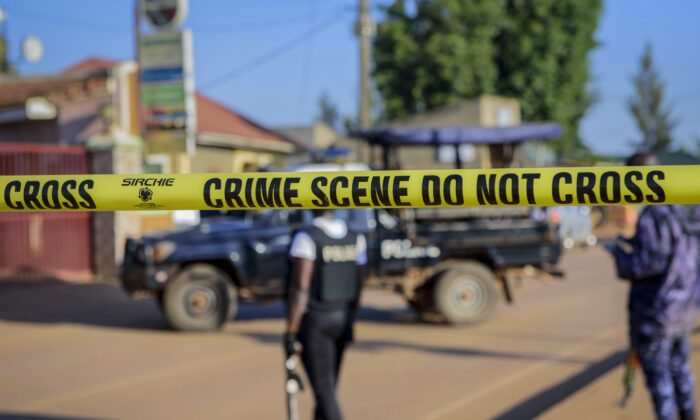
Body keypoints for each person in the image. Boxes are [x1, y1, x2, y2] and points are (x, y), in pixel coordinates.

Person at [608, 152, 699, 420]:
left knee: (661, 382)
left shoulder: (653, 215)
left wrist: (618, 253)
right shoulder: (680, 206)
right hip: (683, 308)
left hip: (656, 314)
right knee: (680, 370)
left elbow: (645, 264)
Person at [284, 209, 367, 420]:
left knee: (325, 394)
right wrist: (351, 319)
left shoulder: (307, 237)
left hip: (317, 322)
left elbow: (301, 288)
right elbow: (359, 285)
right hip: (343, 316)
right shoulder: (355, 237)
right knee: (328, 389)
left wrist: (291, 331)